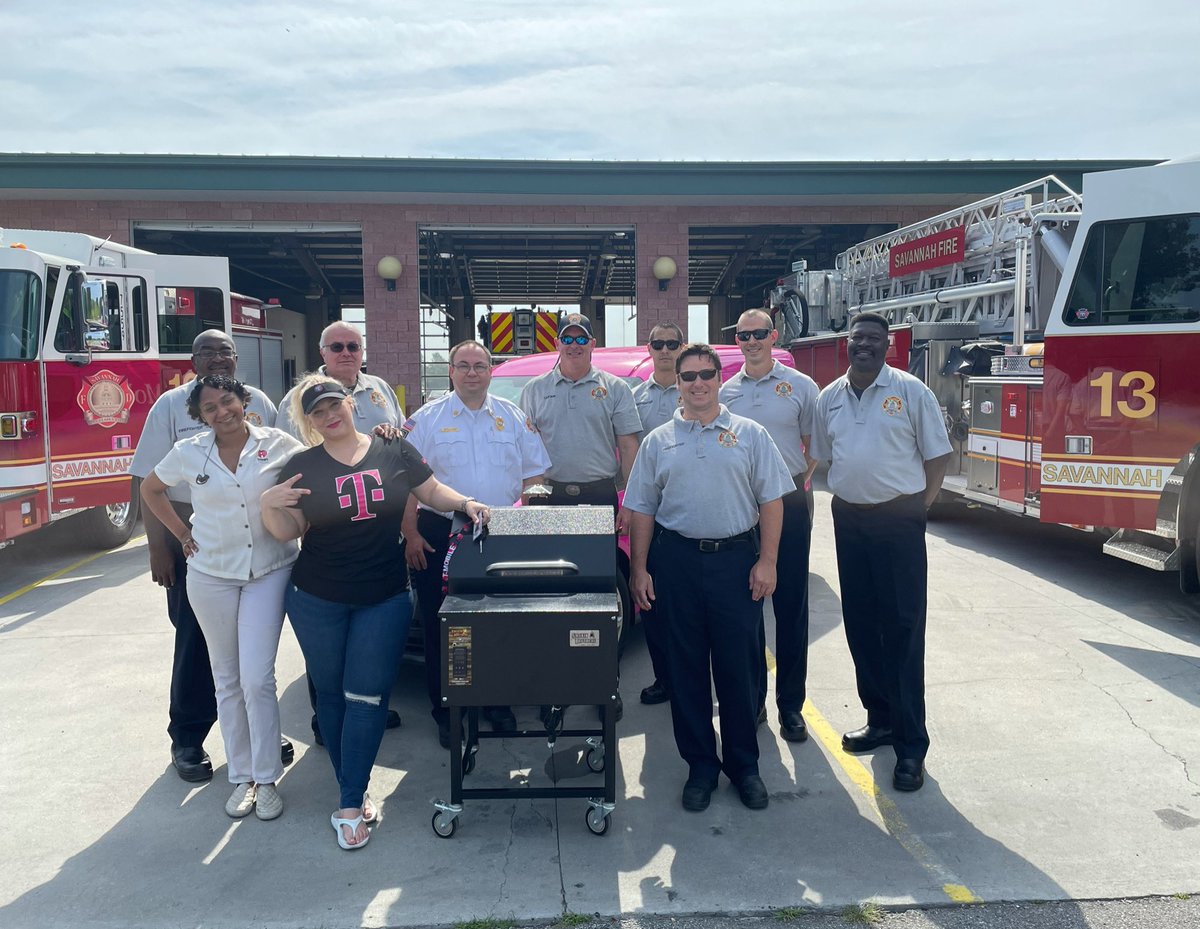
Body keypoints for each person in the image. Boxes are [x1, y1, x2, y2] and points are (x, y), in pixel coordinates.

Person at [261, 374, 490, 850]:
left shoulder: (394, 448)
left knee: (367, 697)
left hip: (384, 595)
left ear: (350, 402)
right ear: (310, 421)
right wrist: (267, 504)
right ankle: (353, 785)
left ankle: (348, 801)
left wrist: (465, 503)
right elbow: (289, 530)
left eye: (334, 404)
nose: (329, 415)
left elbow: (431, 491)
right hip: (317, 596)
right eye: (317, 411)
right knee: (330, 693)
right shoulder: (301, 465)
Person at [624, 344, 793, 813]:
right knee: (687, 670)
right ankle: (700, 766)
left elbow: (772, 502)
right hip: (676, 562)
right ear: (676, 383)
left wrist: (768, 562)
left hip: (736, 562)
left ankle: (744, 767)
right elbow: (641, 508)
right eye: (688, 376)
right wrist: (639, 569)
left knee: (738, 670)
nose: (697, 383)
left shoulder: (750, 434)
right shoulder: (659, 440)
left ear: (720, 379)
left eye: (705, 375)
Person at [129, 329, 293, 783]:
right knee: (196, 647)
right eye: (207, 352)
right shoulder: (170, 405)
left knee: (256, 661)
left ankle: (262, 738)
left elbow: (288, 457)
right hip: (196, 539)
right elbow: (148, 479)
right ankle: (188, 737)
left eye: (225, 351)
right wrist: (161, 546)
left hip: (261, 542)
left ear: (236, 361)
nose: (217, 358)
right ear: (194, 359)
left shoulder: (258, 398)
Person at [808, 312, 952, 793]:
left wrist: (918, 508)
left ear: (887, 345)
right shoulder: (829, 397)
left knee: (904, 628)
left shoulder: (911, 391)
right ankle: (880, 719)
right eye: (857, 338)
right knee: (863, 624)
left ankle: (912, 744)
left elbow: (938, 455)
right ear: (847, 344)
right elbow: (826, 454)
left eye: (874, 339)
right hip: (850, 520)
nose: (864, 345)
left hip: (899, 521)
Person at [401, 339, 551, 748]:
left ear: (490, 371)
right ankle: (448, 712)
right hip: (440, 534)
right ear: (451, 371)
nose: (472, 373)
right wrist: (411, 533)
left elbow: (535, 476)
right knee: (442, 626)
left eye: (479, 366)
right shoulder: (427, 419)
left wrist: (524, 522)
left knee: (500, 624)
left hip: (500, 533)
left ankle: (497, 704)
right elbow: (408, 485)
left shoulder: (513, 416)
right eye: (463, 365)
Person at [276, 320, 405, 740]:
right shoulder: (299, 400)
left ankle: (367, 711)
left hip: (376, 533)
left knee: (367, 647)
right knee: (328, 647)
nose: (346, 352)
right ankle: (325, 717)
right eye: (337, 346)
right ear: (323, 352)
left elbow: (397, 438)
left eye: (353, 345)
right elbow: (287, 461)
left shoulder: (380, 389)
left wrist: (388, 432)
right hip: (327, 533)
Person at [518, 312, 641, 720]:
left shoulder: (614, 389)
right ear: (557, 343)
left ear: (592, 343)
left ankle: (605, 685)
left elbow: (628, 447)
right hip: (549, 501)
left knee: (599, 596)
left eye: (581, 338)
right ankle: (556, 688)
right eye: (566, 337)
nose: (573, 344)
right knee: (551, 597)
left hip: (598, 498)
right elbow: (525, 449)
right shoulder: (535, 390)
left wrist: (628, 500)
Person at [720, 308, 819, 743]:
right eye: (744, 336)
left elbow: (815, 445)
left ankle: (791, 706)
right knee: (748, 609)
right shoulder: (725, 391)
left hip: (790, 501)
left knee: (791, 607)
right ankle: (754, 700)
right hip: (743, 507)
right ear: (737, 340)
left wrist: (791, 481)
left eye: (759, 334)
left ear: (773, 336)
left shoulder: (800, 386)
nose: (752, 341)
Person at [630, 323, 685, 707]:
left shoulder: (696, 391)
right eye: (658, 344)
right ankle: (664, 678)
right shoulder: (633, 398)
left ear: (682, 347)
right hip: (652, 514)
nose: (664, 350)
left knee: (690, 610)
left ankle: (692, 681)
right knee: (652, 602)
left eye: (672, 343)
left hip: (689, 512)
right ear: (648, 349)